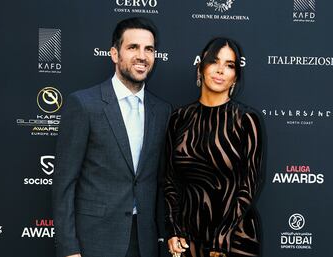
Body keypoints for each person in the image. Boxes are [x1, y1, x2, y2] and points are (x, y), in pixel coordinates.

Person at [52, 17, 172, 257]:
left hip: (144, 242)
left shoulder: (162, 110)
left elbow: (158, 180)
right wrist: (69, 248)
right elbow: (64, 184)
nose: (142, 56)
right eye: (132, 47)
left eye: (149, 49)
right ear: (114, 54)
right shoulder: (84, 105)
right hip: (94, 241)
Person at [165, 38, 263, 257]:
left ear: (236, 76)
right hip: (188, 239)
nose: (220, 71)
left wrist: (223, 235)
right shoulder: (179, 118)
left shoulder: (246, 119)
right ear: (201, 67)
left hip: (235, 238)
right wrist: (173, 229)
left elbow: (251, 181)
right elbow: (170, 179)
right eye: (214, 62)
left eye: (229, 65)